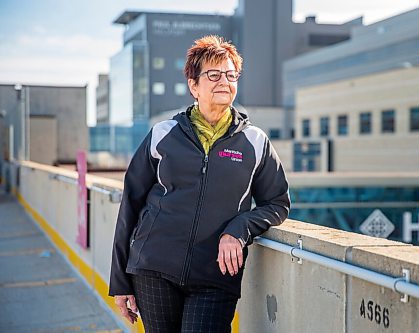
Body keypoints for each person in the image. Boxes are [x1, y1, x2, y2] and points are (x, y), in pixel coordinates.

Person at [109, 35, 290, 333]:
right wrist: (119, 280)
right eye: (214, 74)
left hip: (216, 275)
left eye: (231, 75)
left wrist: (239, 229)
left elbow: (278, 203)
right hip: (154, 268)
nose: (224, 81)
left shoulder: (255, 141)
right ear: (194, 85)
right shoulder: (163, 134)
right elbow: (131, 204)